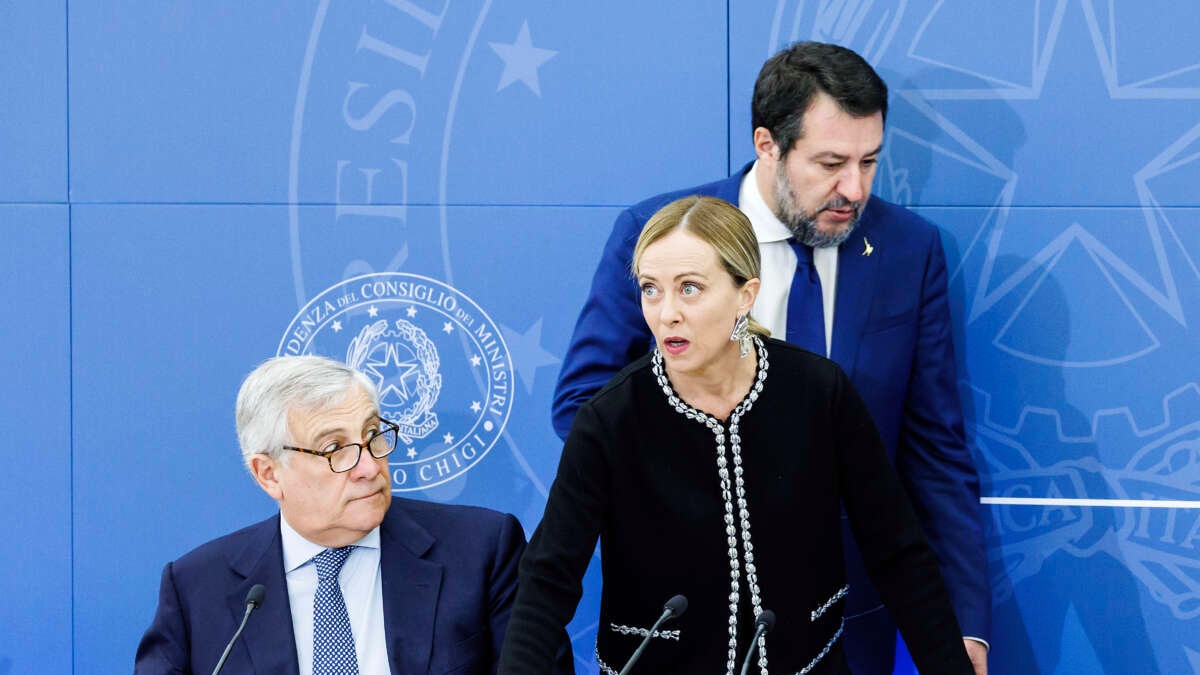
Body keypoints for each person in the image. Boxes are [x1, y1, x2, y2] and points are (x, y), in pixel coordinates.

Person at [552, 42, 989, 674]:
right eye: (831, 163)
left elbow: (934, 454)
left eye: (870, 161)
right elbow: (583, 407)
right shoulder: (660, 234)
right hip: (685, 619)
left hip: (843, 625)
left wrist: (962, 628)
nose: (855, 189)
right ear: (768, 146)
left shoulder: (908, 251)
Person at [500, 195, 973, 675]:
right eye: (650, 289)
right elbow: (548, 580)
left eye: (689, 289)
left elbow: (898, 553)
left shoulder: (819, 393)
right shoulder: (610, 418)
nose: (666, 314)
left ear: (746, 295)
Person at [135, 355, 571, 675]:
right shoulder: (197, 590)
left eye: (372, 436)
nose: (369, 467)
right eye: (334, 449)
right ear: (269, 474)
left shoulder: (482, 551)